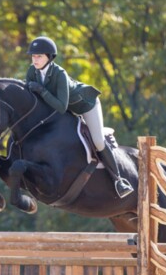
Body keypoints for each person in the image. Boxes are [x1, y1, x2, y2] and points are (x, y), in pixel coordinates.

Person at [25, 36, 134, 198]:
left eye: (39, 56)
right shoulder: (31, 72)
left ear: (49, 57)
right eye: (33, 56)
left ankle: (119, 179)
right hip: (65, 109)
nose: (35, 59)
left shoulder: (59, 74)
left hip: (85, 105)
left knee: (97, 141)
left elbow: (61, 106)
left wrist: (41, 91)